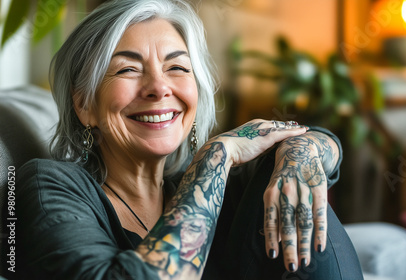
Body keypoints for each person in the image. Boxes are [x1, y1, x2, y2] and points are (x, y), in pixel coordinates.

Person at [14, 0, 363, 279]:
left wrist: (298, 155)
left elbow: (326, 143)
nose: (159, 87)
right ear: (84, 104)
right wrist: (215, 154)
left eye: (177, 68)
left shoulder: (220, 185)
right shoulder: (51, 184)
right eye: (127, 69)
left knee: (294, 182)